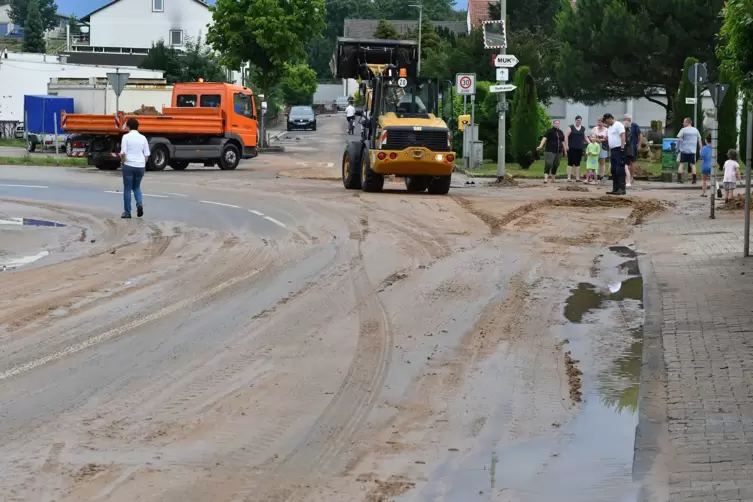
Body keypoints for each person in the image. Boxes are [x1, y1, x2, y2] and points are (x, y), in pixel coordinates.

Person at [119, 118, 150, 219]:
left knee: (127, 188)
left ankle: (127, 212)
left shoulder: (126, 137)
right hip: (140, 166)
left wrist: (122, 163)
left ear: (128, 127)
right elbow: (147, 154)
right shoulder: (143, 138)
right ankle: (139, 204)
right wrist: (142, 164)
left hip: (128, 165)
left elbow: (123, 152)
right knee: (136, 187)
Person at [536, 119, 565, 184]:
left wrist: (565, 150)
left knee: (556, 164)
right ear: (553, 124)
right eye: (556, 123)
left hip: (559, 151)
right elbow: (544, 138)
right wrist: (540, 146)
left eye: (558, 123)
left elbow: (563, 142)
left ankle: (553, 178)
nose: (557, 124)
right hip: (550, 151)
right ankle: (545, 178)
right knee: (549, 163)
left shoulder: (560, 132)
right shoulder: (549, 131)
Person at [603, 113, 626, 195]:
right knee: (613, 169)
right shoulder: (609, 128)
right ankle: (615, 188)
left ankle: (621, 188)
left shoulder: (618, 125)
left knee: (619, 169)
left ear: (610, 118)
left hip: (619, 148)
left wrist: (622, 148)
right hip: (612, 150)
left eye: (606, 121)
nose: (606, 123)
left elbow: (623, 136)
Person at [676, 117, 703, 184]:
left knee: (681, 164)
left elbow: (678, 140)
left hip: (684, 150)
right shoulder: (696, 130)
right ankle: (694, 180)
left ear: (688, 122)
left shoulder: (683, 130)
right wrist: (701, 149)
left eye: (684, 122)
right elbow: (699, 140)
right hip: (692, 151)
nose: (683, 123)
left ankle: (679, 179)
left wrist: (678, 148)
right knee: (692, 165)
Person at [564, 115, 589, 182]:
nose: (579, 121)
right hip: (571, 147)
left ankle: (577, 177)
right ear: (575, 120)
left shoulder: (583, 128)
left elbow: (585, 137)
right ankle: (569, 177)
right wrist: (566, 146)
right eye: (577, 120)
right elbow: (566, 136)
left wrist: (590, 143)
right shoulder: (571, 127)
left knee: (578, 162)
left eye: (580, 120)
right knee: (570, 162)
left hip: (579, 147)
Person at [623, 115, 642, 188]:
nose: (624, 120)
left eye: (626, 119)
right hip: (625, 147)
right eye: (624, 119)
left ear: (629, 119)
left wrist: (639, 145)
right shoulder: (623, 126)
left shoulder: (634, 126)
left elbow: (640, 135)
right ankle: (626, 177)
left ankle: (631, 176)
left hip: (633, 146)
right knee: (626, 162)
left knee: (632, 162)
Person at [590, 117, 609, 183]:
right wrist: (594, 139)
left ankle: (601, 176)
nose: (600, 123)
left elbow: (607, 138)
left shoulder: (606, 130)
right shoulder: (594, 129)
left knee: (602, 162)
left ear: (604, 123)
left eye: (601, 122)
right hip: (594, 146)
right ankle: (593, 176)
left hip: (602, 146)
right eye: (599, 122)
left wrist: (601, 140)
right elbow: (590, 137)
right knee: (593, 161)